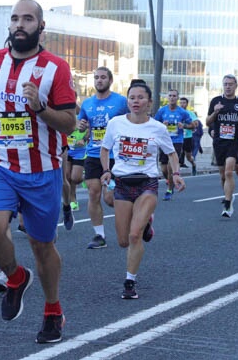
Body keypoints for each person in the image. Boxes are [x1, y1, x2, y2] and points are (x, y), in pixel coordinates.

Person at [0, 0, 77, 344]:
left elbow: (69, 123)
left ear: (41, 27)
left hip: (41, 169)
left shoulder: (56, 68)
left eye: (28, 19)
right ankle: (16, 277)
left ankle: (52, 310)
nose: (20, 24)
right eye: (15, 18)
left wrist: (40, 108)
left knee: (41, 246)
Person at [100, 79, 184, 299]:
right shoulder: (115, 123)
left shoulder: (158, 127)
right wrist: (106, 170)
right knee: (123, 240)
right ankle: (146, 221)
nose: (136, 101)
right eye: (132, 97)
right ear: (127, 101)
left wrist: (175, 174)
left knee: (135, 235)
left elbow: (172, 154)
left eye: (140, 98)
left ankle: (130, 281)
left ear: (149, 102)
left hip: (147, 182)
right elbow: (104, 149)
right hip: (122, 183)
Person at [77, 67, 128, 249]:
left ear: (110, 80)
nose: (99, 80)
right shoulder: (87, 104)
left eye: (103, 77)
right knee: (93, 193)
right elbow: (81, 126)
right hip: (93, 153)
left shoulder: (121, 102)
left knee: (109, 197)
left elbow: (134, 119)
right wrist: (81, 125)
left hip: (115, 155)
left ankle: (134, 214)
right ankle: (99, 235)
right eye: (96, 77)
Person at [206, 74, 238, 218]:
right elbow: (207, 121)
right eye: (225, 84)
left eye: (230, 84)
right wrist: (216, 111)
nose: (228, 86)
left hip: (235, 141)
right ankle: (231, 190)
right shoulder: (216, 101)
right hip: (219, 142)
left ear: (236, 86)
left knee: (230, 172)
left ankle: (228, 204)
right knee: (223, 175)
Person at [153, 89, 190, 201]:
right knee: (164, 168)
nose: (172, 98)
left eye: (174, 96)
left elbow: (192, 124)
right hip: (164, 141)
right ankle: (170, 181)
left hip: (177, 141)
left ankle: (169, 190)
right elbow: (153, 124)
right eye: (170, 96)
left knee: (170, 166)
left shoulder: (182, 112)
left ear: (177, 98)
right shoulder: (162, 111)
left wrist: (183, 125)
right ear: (167, 97)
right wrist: (161, 125)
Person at [62, 119, 87, 230]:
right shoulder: (64, 112)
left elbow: (90, 127)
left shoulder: (82, 112)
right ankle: (73, 199)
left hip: (80, 151)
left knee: (75, 178)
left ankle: (87, 175)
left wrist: (83, 138)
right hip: (68, 148)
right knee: (67, 176)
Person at [178, 96, 199, 177]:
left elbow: (195, 124)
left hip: (187, 137)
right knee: (176, 155)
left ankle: (193, 165)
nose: (182, 104)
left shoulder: (190, 113)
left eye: (184, 103)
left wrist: (184, 126)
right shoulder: (176, 113)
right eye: (180, 103)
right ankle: (176, 174)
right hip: (177, 137)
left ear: (187, 104)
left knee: (188, 157)